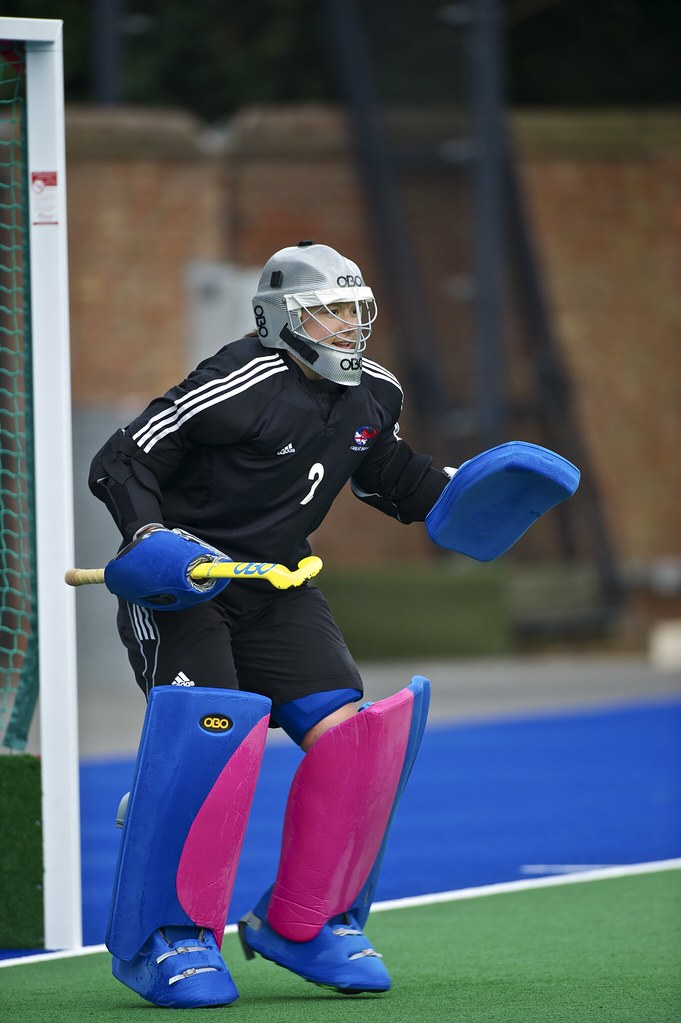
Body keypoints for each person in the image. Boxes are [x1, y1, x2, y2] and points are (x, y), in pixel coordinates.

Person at [88, 240, 578, 1009]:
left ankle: (304, 923)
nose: (347, 325)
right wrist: (149, 536)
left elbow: (389, 477)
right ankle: (167, 936)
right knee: (209, 744)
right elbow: (121, 459)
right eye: (327, 311)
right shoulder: (235, 381)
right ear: (277, 318)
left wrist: (466, 495)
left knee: (353, 745)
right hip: (189, 587)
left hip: (279, 587)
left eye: (354, 310)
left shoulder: (373, 393)